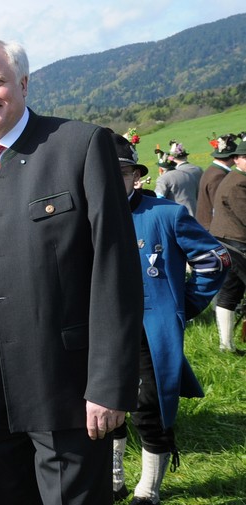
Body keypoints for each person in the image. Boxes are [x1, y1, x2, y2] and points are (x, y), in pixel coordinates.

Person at [0, 39, 143, 505]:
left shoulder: (80, 145)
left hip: (66, 378)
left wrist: (109, 383)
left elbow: (116, 270)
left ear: (24, 84)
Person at [110, 132, 229, 504]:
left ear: (135, 175)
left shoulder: (166, 213)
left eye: (124, 172)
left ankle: (148, 490)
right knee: (107, 403)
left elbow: (215, 260)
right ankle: (113, 479)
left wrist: (186, 304)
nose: (116, 180)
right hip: (102, 330)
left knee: (149, 407)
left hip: (149, 330)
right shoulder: (85, 219)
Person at [209, 140, 246, 353]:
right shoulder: (238, 182)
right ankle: (226, 345)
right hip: (236, 244)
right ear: (236, 159)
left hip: (228, 242)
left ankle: (227, 345)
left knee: (229, 294)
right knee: (229, 294)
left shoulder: (235, 177)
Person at [196, 134, 238, 230]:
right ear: (233, 157)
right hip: (212, 226)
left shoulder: (213, 170)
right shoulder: (219, 175)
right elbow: (219, 205)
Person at [154, 141, 200, 216]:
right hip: (195, 214)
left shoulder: (163, 179)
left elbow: (158, 200)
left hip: (177, 217)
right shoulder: (187, 174)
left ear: (162, 167)